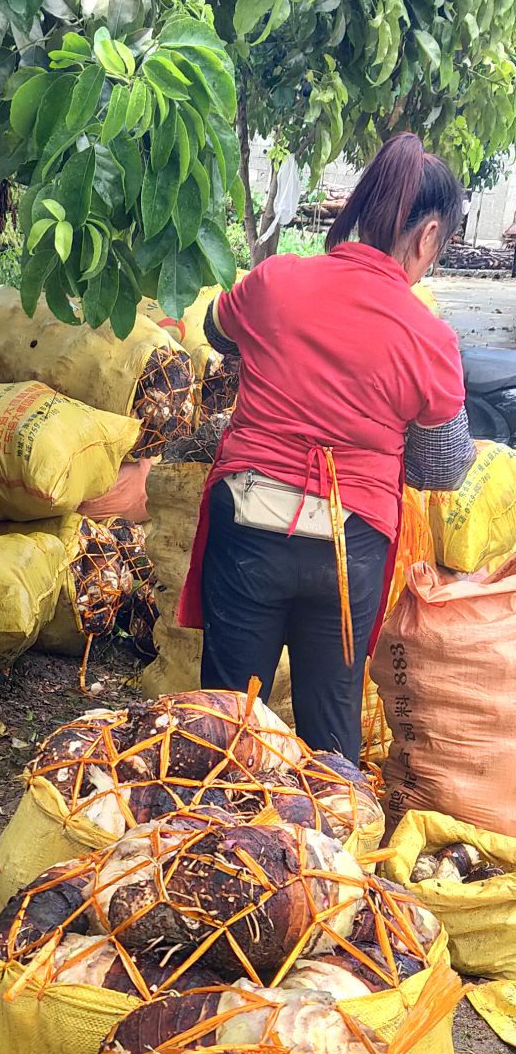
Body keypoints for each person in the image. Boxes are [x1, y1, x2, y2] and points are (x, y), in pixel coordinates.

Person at [177, 133, 476, 759]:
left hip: (249, 527)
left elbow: (213, 329)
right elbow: (444, 467)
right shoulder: (428, 336)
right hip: (349, 549)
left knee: (230, 724)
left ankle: (216, 842)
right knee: (329, 732)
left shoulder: (277, 280)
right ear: (426, 237)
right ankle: (325, 843)